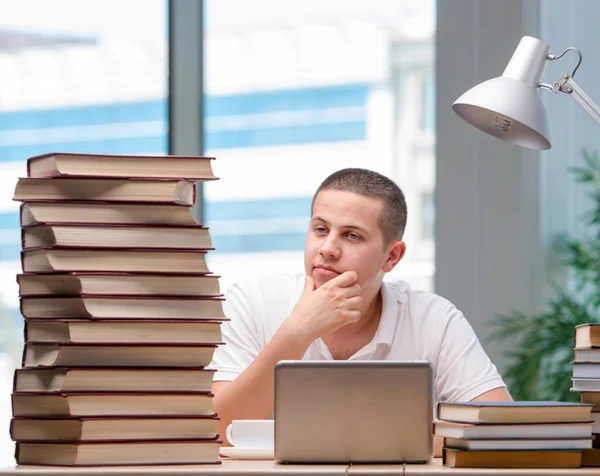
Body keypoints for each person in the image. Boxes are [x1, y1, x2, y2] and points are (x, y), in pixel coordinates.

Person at [210, 168, 511, 456]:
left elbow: (497, 428)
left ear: (392, 256)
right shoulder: (252, 300)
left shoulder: (434, 319)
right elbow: (219, 430)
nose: (328, 248)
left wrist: (353, 440)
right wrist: (297, 332)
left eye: (352, 236)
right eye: (320, 229)